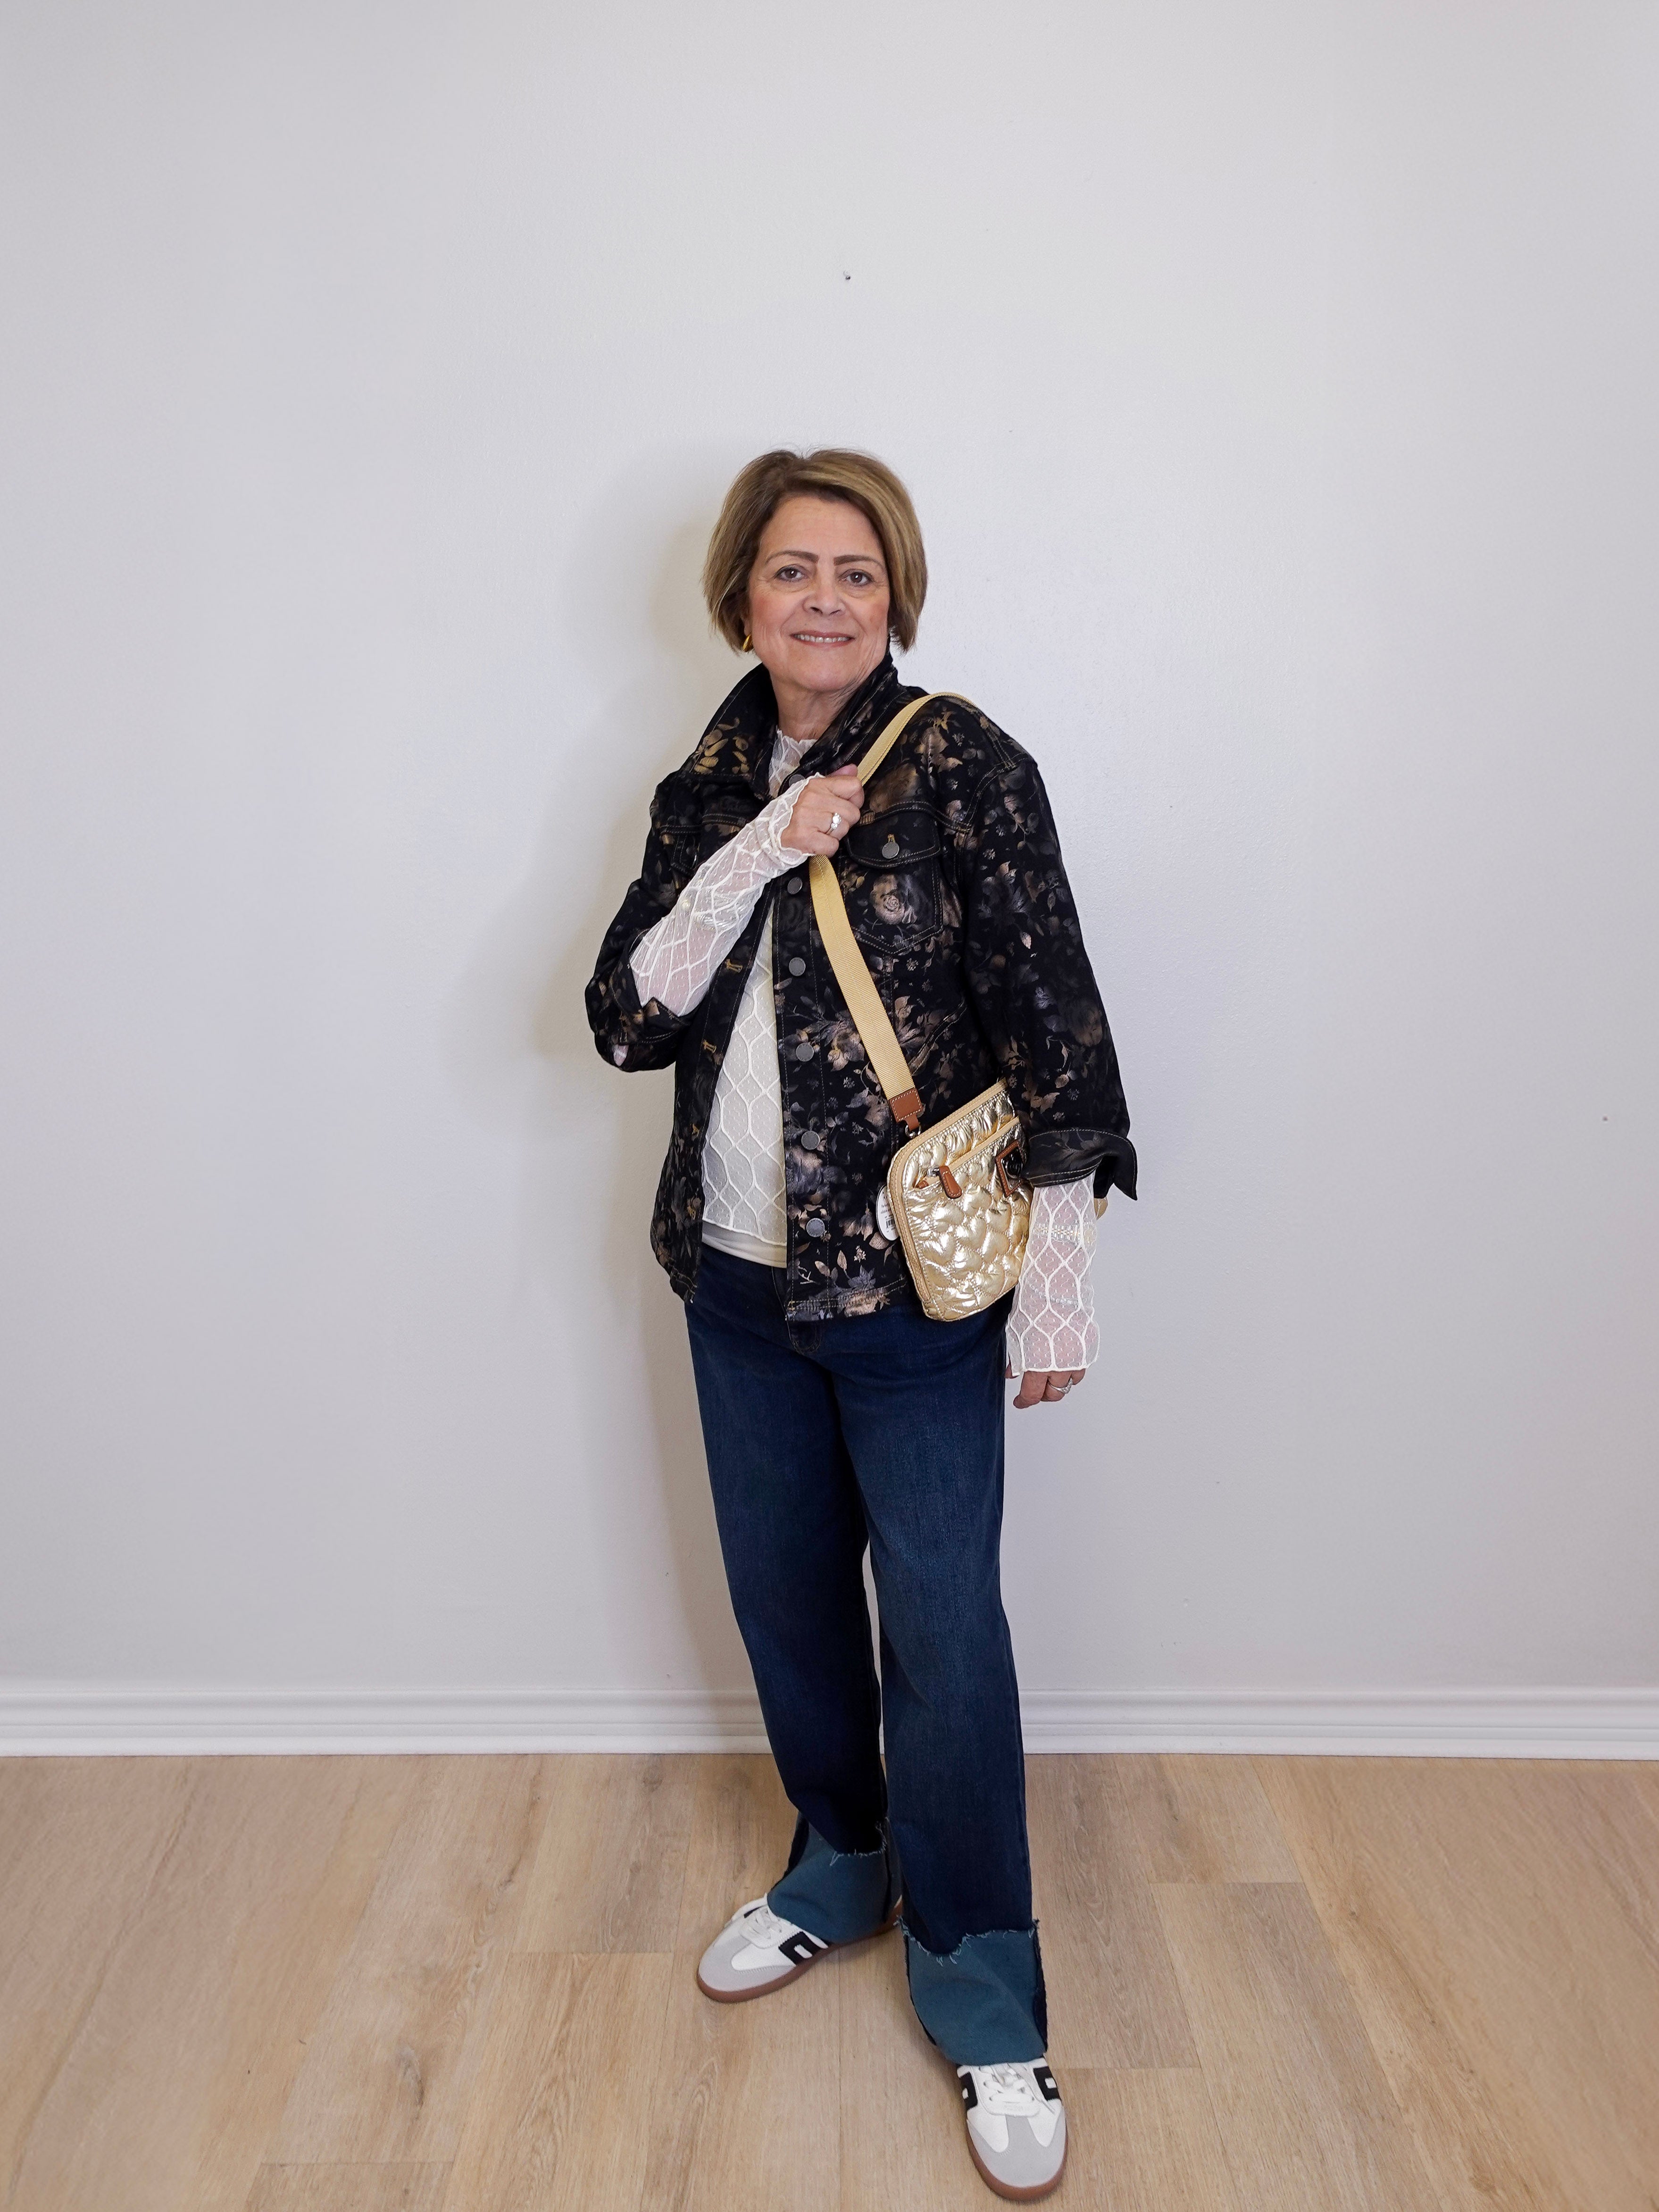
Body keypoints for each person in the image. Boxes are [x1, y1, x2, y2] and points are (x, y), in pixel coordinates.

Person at [586, 448, 1135, 2200]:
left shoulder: (966, 763)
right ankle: (842, 1860)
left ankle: (982, 1985)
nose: (823, 598)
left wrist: (1057, 1270)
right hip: (734, 1281)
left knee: (947, 1636)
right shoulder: (698, 787)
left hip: (909, 1293)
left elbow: (1058, 1027)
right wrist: (761, 843)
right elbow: (622, 1017)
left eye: (856, 571)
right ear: (741, 595)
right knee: (785, 1597)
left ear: (895, 594)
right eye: (791, 570)